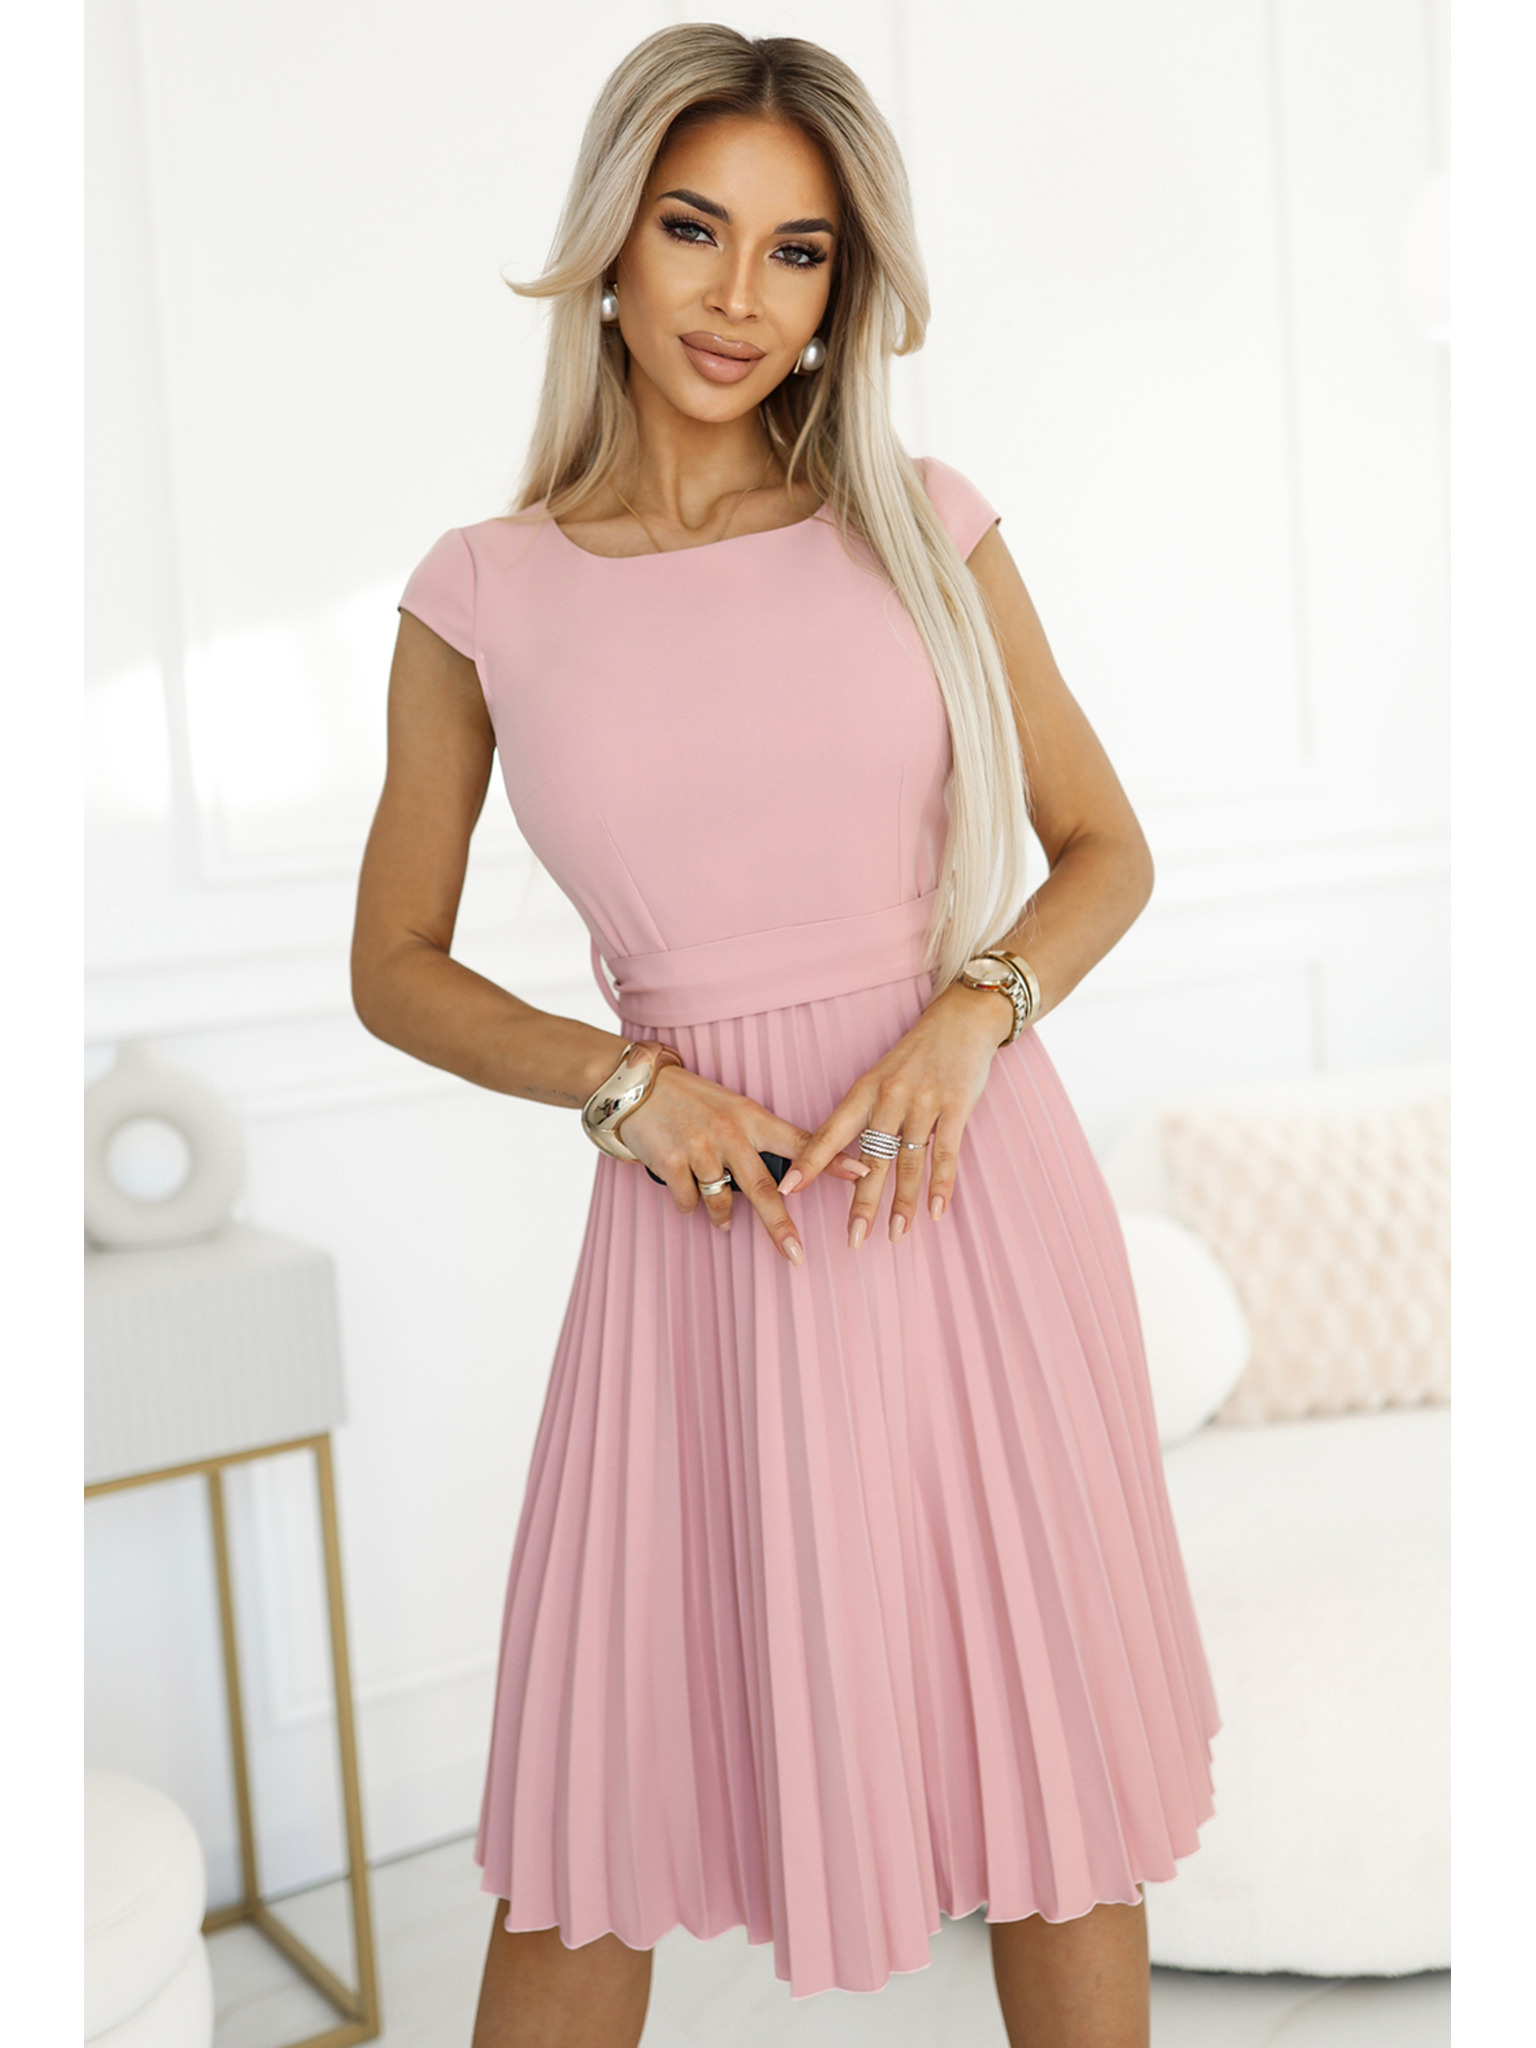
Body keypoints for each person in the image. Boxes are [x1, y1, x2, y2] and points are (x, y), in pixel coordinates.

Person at [351, 25, 1220, 2048]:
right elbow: (394, 963)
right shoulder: (482, 595)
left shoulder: (921, 521)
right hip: (701, 1233)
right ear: (611, 243)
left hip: (966, 1203)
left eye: (799, 250)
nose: (740, 296)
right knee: (604, 1797)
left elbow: (1104, 849)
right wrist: (623, 1085)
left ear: (846, 284)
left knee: (1052, 1776)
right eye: (695, 230)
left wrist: (974, 1017)